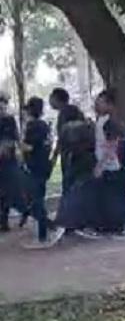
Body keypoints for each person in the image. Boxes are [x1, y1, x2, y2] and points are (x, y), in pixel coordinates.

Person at [20, 97, 64, 249]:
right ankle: (48, 229)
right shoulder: (44, 125)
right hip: (44, 165)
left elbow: (29, 147)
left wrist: (19, 144)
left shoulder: (33, 126)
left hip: (35, 166)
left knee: (36, 200)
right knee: (37, 198)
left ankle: (45, 234)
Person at [94, 89, 125, 235]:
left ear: (109, 104)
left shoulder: (110, 122)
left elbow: (112, 144)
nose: (97, 105)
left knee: (114, 196)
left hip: (114, 164)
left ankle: (117, 227)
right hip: (113, 163)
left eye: (100, 103)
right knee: (120, 194)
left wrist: (100, 165)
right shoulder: (106, 120)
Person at [0, 93, 28, 232]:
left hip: (8, 161)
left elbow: (15, 139)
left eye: (2, 103)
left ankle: (25, 210)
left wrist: (19, 153)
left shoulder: (9, 120)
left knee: (10, 191)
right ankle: (3, 222)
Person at [49, 88, 85, 195]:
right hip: (79, 155)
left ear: (56, 98)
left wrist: (55, 156)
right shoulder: (75, 110)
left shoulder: (64, 113)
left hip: (70, 155)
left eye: (51, 96)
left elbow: (62, 137)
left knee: (70, 185)